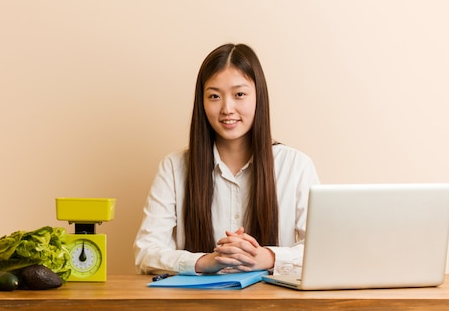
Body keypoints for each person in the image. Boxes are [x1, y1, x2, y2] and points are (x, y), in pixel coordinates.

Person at [133, 43, 320, 276]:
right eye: (214, 96)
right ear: (201, 102)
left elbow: (323, 250)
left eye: (239, 94)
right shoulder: (173, 167)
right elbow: (146, 251)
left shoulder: (296, 166)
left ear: (258, 96)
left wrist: (269, 257)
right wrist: (204, 262)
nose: (227, 108)